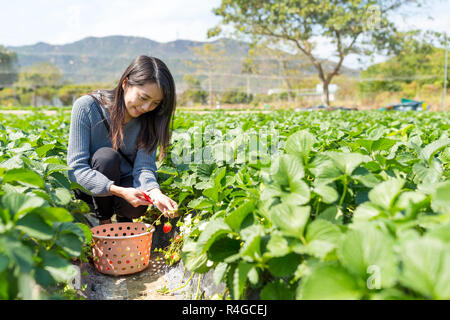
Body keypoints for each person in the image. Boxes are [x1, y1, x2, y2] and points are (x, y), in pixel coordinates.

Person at [67, 55, 178, 225]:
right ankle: (102, 221)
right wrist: (118, 191)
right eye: (143, 98)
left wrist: (154, 193)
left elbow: (144, 167)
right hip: (90, 190)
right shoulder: (87, 107)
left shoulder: (150, 120)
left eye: (155, 103)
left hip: (125, 187)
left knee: (137, 204)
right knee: (106, 157)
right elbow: (76, 169)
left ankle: (124, 222)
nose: (147, 108)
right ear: (125, 83)